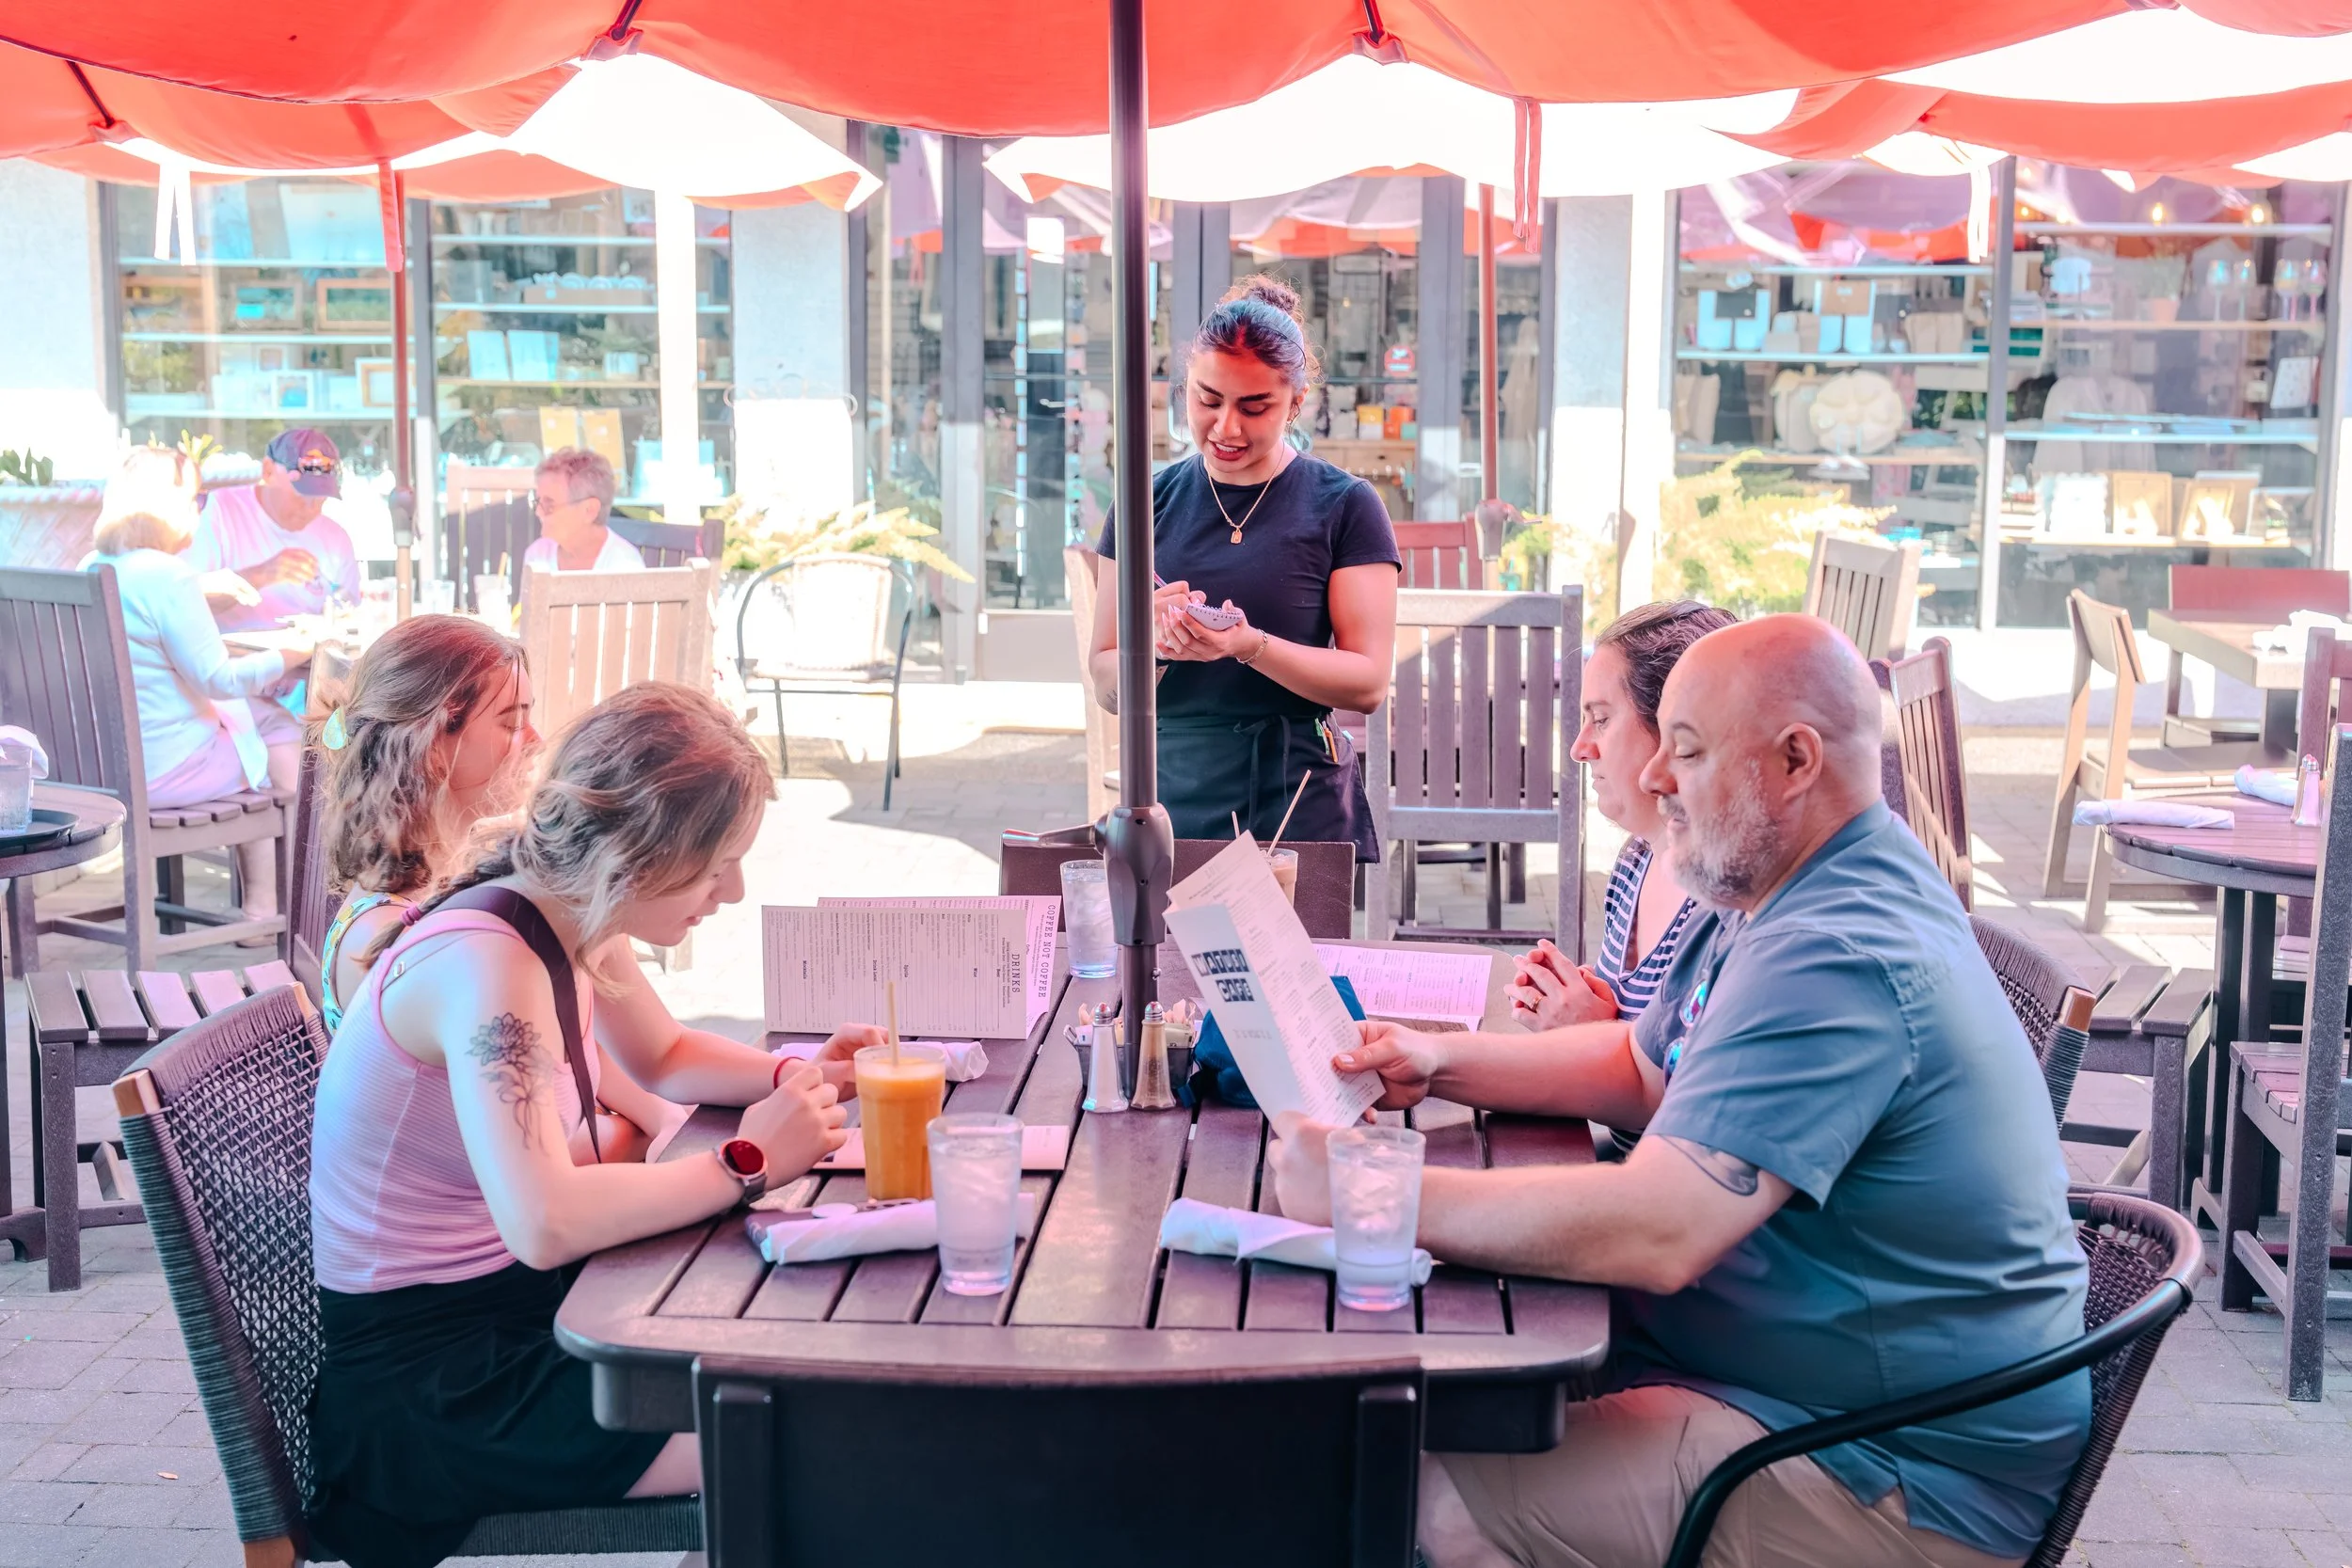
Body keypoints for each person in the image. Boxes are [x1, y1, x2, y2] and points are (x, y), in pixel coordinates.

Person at [1269, 615, 2090, 1568]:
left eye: (1687, 750)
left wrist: (1368, 1193)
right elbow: (1644, 1067)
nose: (1657, 776)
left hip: (1886, 1464)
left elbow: (1659, 1228)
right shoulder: (1778, 884)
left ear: (1794, 761)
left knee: (1412, 1487)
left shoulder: (1839, 947)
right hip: (1791, 1392)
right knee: (1409, 1408)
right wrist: (1442, 1061)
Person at [306, 683, 879, 1567]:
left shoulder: (566, 906)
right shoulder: (489, 966)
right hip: (441, 1390)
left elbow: (665, 1055)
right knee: (817, 1419)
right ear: (639, 856)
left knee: (804, 1354)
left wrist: (799, 1075)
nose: (732, 892)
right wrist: (751, 1156)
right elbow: (546, 1222)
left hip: (519, 1320)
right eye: (717, 861)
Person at [1088, 277, 1399, 860]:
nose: (1226, 428)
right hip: (1168, 802)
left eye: (1255, 407)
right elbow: (1106, 683)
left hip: (1297, 800)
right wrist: (1150, 646)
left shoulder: (1345, 505)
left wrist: (1248, 645)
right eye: (1208, 400)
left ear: (1296, 403)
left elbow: (1368, 683)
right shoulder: (1143, 505)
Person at [83, 446, 313, 931]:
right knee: (280, 736)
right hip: (165, 773)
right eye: (195, 499)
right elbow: (219, 679)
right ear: (168, 507)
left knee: (262, 723)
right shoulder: (168, 576)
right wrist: (292, 654)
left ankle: (265, 908)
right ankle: (284, 912)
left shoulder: (94, 567)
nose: (199, 510)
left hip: (105, 769)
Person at [1506, 599, 1736, 1033]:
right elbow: (1626, 1016)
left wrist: (1588, 1032)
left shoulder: (1720, 904)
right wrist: (1580, 998)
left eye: (1602, 719)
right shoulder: (1637, 859)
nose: (1579, 748)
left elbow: (1679, 1074)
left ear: (1677, 726)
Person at [188, 427, 363, 633]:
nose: (312, 508)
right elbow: (186, 603)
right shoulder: (220, 511)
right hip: (234, 657)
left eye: (320, 498)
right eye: (302, 496)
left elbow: (351, 613)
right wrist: (260, 575)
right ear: (268, 471)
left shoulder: (335, 537)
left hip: (310, 657)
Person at [526, 448, 644, 573]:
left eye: (549, 505)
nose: (538, 512)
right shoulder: (538, 556)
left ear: (589, 510)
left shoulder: (625, 567)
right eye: (537, 502)